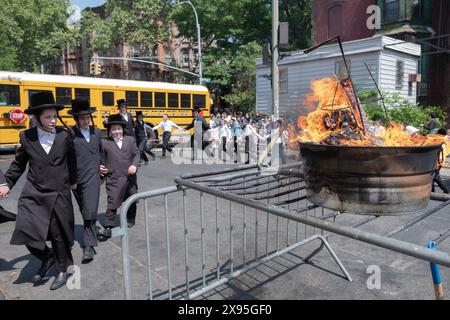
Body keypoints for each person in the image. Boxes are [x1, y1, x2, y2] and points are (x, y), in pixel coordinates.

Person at [3, 91, 77, 290]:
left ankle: (61, 269)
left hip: (59, 192)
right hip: (34, 192)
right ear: (36, 117)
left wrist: (73, 182)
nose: (53, 120)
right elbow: (19, 164)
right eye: (48, 117)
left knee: (57, 233)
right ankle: (47, 256)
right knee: (26, 230)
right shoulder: (26, 137)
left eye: (54, 116)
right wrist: (6, 183)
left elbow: (72, 161)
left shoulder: (65, 135)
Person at [68, 99, 102, 263]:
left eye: (87, 117)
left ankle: (89, 245)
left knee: (89, 209)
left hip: (93, 179)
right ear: (76, 119)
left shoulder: (97, 133)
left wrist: (104, 167)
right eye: (81, 118)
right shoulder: (70, 135)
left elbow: (103, 153)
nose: (85, 121)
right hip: (75, 181)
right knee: (84, 209)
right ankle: (93, 232)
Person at [97, 114, 140, 241]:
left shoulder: (130, 140)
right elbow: (100, 158)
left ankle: (131, 218)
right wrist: (100, 167)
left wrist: (134, 165)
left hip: (130, 177)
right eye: (114, 129)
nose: (117, 132)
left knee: (131, 198)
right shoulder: (104, 142)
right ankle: (109, 226)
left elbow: (136, 154)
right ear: (109, 131)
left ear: (123, 129)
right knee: (113, 201)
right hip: (114, 177)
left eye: (119, 129)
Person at [432, 129, 450, 194]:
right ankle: (431, 191)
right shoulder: (444, 140)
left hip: (437, 162)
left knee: (435, 176)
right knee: (432, 176)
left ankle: (446, 189)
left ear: (438, 132)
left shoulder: (439, 140)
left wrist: (438, 163)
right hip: (440, 161)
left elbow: (440, 153)